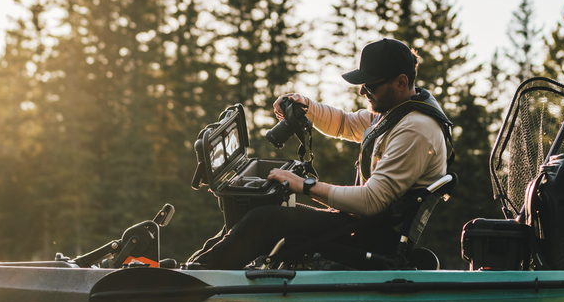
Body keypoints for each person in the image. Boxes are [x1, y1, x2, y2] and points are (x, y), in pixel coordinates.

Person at [187, 38, 454, 270]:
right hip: (365, 226)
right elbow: (345, 123)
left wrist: (305, 186)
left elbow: (371, 201)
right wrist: (307, 106)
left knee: (265, 220)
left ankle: (197, 278)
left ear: (401, 82)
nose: (363, 91)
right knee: (259, 210)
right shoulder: (397, 112)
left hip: (373, 238)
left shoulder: (415, 129)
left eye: (370, 86)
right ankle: (198, 266)